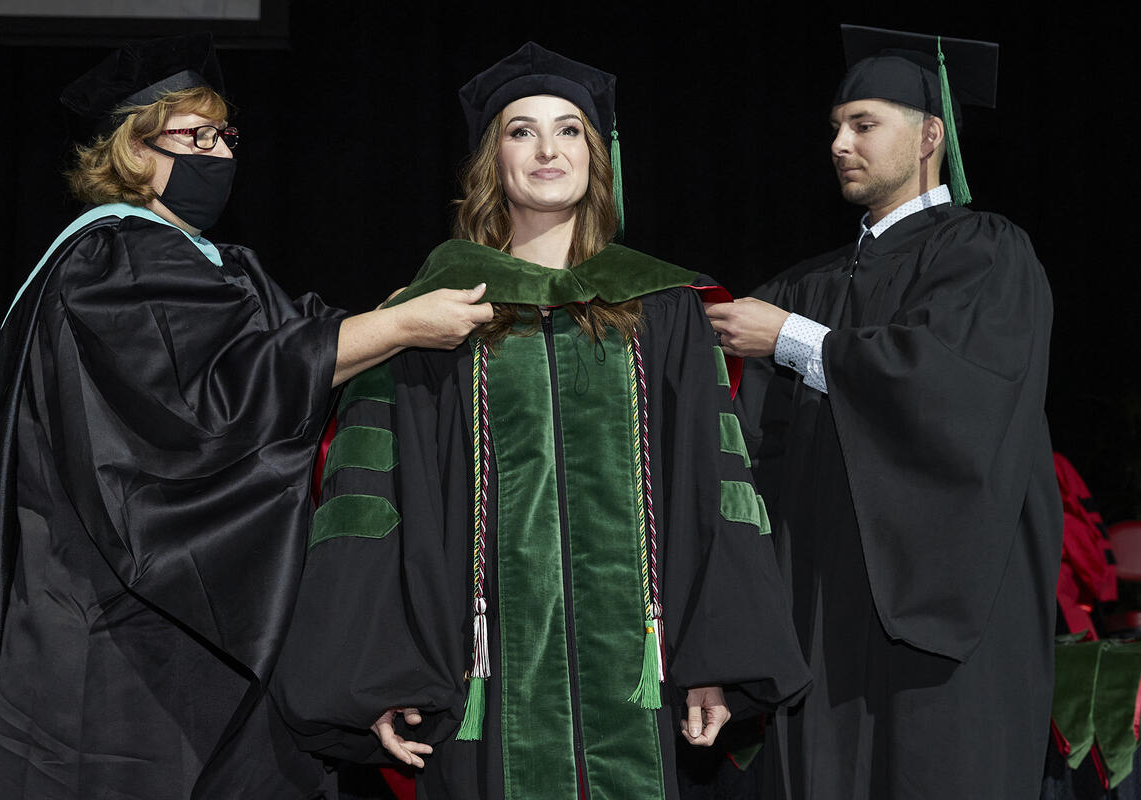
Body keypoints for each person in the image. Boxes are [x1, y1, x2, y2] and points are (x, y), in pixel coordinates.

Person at [0, 34, 490, 800]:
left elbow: (300, 339)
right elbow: (227, 394)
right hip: (116, 642)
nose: (218, 155)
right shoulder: (115, 262)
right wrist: (404, 328)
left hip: (174, 639)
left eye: (222, 136)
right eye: (193, 136)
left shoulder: (208, 261)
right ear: (132, 152)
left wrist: (408, 314)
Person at [272, 42, 811, 800]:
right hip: (481, 682)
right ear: (493, 160)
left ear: (597, 157)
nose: (548, 149)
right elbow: (376, 504)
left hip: (641, 679)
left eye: (569, 130)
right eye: (521, 130)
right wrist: (385, 674)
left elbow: (715, 488)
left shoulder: (662, 311)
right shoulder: (433, 316)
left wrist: (716, 660)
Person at [706, 25, 1063, 799]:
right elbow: (745, 466)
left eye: (864, 124)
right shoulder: (802, 286)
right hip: (821, 632)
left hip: (947, 637)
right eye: (835, 127)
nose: (840, 143)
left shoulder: (988, 254)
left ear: (930, 134)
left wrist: (798, 343)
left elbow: (951, 387)